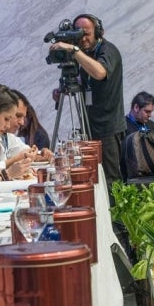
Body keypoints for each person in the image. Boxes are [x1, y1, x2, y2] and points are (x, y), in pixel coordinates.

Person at [50, 13, 125, 187]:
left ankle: (114, 213)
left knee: (110, 179)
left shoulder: (108, 50)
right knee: (90, 177)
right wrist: (61, 92)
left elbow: (99, 72)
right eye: (78, 34)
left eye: (86, 33)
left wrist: (74, 51)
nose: (82, 38)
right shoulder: (83, 53)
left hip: (108, 127)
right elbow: (81, 81)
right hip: (88, 124)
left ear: (98, 32)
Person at [122, 91, 154, 179]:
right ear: (136, 107)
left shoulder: (151, 125)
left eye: (151, 112)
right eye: (147, 111)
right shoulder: (123, 127)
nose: (150, 115)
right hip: (133, 179)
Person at [9, 89, 53, 160]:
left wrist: (40, 153)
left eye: (24, 117)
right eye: (18, 116)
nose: (22, 122)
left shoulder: (9, 137)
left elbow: (26, 151)